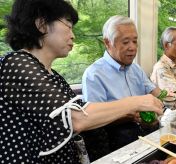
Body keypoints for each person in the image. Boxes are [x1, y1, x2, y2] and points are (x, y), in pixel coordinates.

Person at [0, 1, 163, 163]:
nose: (73, 35)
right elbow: (76, 119)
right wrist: (137, 102)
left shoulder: (53, 76)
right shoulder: (16, 63)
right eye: (68, 25)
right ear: (42, 25)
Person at [82, 15, 175, 159]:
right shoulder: (94, 74)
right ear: (107, 43)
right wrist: (132, 115)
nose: (132, 47)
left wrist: (169, 96)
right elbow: (94, 121)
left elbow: (155, 92)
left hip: (147, 130)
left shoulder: (136, 69)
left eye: (135, 41)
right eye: (125, 42)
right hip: (118, 139)